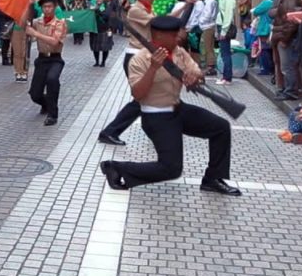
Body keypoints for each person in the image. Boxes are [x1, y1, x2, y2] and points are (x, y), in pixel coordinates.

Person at [98, 16, 241, 196]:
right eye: (173, 35)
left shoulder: (179, 52)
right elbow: (138, 94)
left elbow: (197, 72)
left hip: (178, 109)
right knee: (171, 169)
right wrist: (153, 68)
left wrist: (195, 77)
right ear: (158, 36)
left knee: (221, 127)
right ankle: (116, 167)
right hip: (156, 116)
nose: (178, 37)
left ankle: (213, 179)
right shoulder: (140, 59)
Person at [97, 0, 156, 146]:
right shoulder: (137, 10)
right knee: (142, 98)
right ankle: (110, 131)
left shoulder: (147, 9)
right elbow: (157, 23)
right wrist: (183, 8)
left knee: (148, 97)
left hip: (144, 56)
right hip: (135, 57)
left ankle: (154, 130)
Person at [26, 0, 66, 126]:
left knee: (52, 80)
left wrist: (35, 34)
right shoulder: (37, 22)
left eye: (50, 7)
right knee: (35, 94)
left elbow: (54, 42)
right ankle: (46, 104)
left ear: (54, 8)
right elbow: (25, 23)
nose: (47, 9)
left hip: (55, 59)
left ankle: (53, 115)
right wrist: (29, 5)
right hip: (42, 59)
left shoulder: (60, 23)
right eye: (44, 7)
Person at [270, 0, 301, 99]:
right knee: (282, 65)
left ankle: (291, 91)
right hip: (279, 34)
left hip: (286, 37)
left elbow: (293, 22)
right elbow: (271, 12)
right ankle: (284, 88)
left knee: (287, 66)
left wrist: (285, 38)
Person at [215, 0, 237, 86]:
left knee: (225, 53)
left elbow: (228, 15)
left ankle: (227, 78)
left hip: (225, 27)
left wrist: (223, 31)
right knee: (224, 52)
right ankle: (226, 76)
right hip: (221, 26)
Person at [251, 0, 276, 76]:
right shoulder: (277, 1)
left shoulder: (267, 2)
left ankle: (266, 69)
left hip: (265, 28)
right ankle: (272, 69)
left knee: (264, 49)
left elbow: (256, 11)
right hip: (273, 28)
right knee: (271, 50)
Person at [197, 0, 218, 75]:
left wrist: (200, 21)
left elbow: (207, 14)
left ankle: (210, 67)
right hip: (211, 26)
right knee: (210, 47)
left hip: (207, 26)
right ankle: (210, 66)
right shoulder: (213, 1)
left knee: (208, 47)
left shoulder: (209, 2)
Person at [90, 0, 114, 67]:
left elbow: (106, 16)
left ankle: (103, 62)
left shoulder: (106, 6)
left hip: (104, 29)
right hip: (95, 28)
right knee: (95, 47)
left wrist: (97, 10)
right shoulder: (93, 6)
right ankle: (96, 61)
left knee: (105, 47)